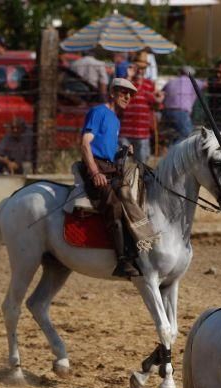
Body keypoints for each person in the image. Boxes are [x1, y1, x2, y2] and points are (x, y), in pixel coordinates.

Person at [79, 77, 145, 278]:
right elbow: (85, 143)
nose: (127, 97)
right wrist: (94, 172)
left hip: (109, 167)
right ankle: (122, 261)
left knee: (130, 195)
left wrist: (122, 150)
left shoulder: (115, 119)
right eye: (123, 92)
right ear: (112, 93)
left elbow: (106, 147)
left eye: (130, 94)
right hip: (96, 168)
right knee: (114, 205)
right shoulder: (99, 112)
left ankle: (140, 245)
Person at [118, 52, 163, 164]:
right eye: (137, 67)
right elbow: (119, 97)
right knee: (121, 165)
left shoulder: (150, 85)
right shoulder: (126, 82)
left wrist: (158, 101)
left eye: (143, 68)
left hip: (143, 133)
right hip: (126, 131)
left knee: (141, 166)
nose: (140, 70)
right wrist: (128, 76)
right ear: (133, 67)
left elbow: (156, 106)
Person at [162, 65, 205, 143]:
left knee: (172, 135)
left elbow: (162, 92)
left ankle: (170, 150)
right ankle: (176, 151)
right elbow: (206, 84)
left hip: (166, 112)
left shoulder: (171, 81)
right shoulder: (192, 81)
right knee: (188, 135)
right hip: (181, 112)